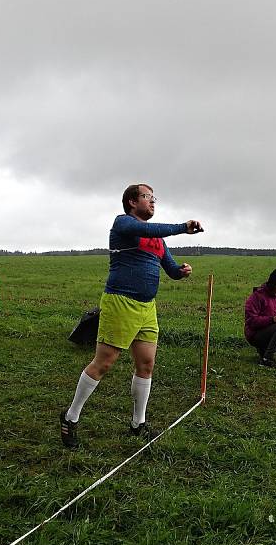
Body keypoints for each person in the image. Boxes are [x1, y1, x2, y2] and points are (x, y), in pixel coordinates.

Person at [60, 183, 203, 449]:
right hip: (120, 302)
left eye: (154, 198)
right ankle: (70, 417)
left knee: (146, 365)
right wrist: (183, 227)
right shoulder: (123, 224)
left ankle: (138, 423)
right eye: (148, 197)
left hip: (147, 308)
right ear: (131, 202)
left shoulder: (157, 239)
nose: (153, 202)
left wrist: (181, 271)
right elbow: (147, 229)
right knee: (103, 363)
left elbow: (169, 269)